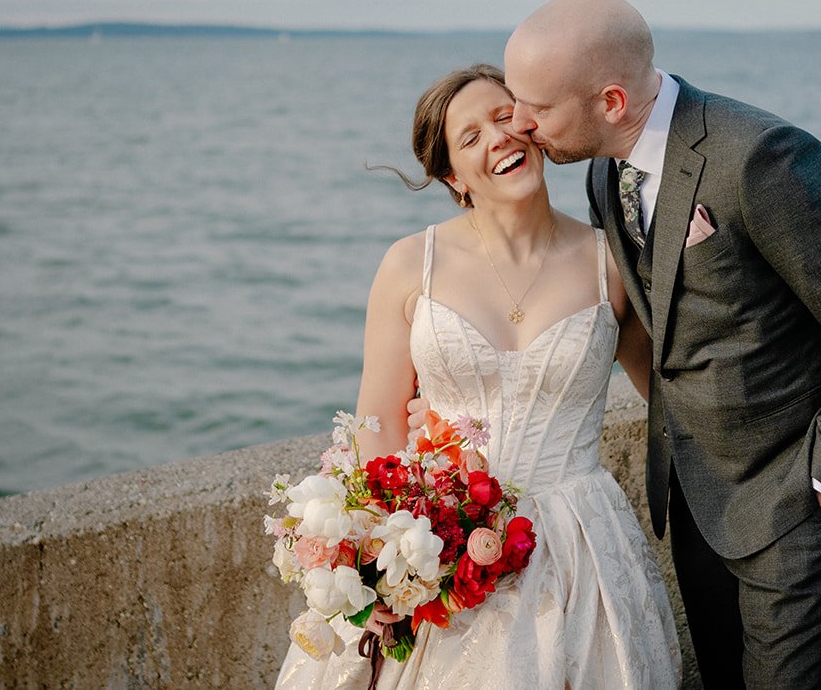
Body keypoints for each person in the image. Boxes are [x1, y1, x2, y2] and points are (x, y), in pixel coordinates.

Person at [490, 0, 821, 688]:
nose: (518, 123)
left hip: (792, 497)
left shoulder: (759, 157)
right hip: (693, 501)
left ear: (611, 102)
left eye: (535, 105)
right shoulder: (603, 172)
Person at [275, 64, 681, 690]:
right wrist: (376, 564)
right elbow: (377, 423)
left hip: (580, 543)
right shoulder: (411, 265)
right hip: (439, 539)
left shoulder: (609, 262)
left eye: (504, 117)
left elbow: (672, 393)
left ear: (534, 126)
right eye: (470, 137)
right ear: (452, 177)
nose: (498, 138)